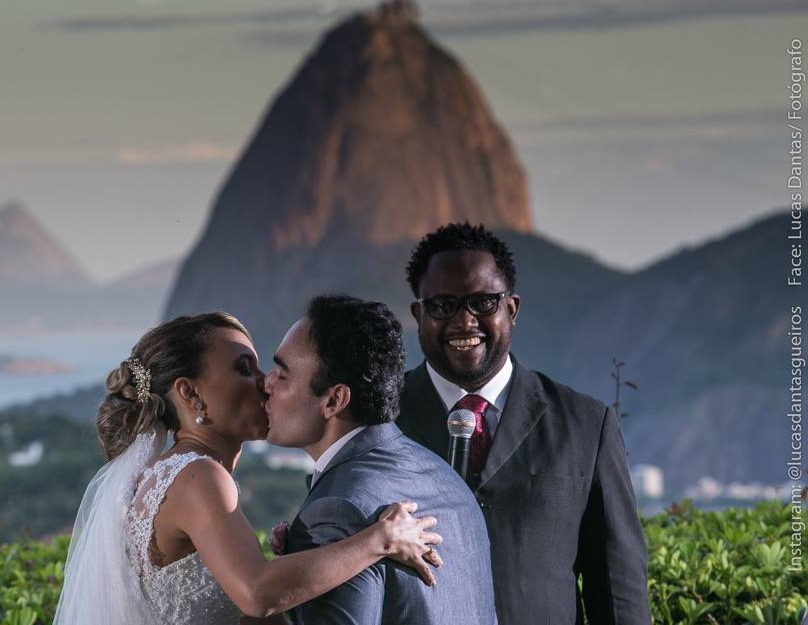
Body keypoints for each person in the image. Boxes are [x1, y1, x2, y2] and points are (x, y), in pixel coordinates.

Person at [54, 312, 442, 625]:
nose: (267, 382)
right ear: (190, 393)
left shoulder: (169, 473)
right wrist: (380, 540)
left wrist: (292, 561)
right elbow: (258, 595)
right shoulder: (199, 476)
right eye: (245, 369)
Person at [395, 223, 652, 624]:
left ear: (511, 309)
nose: (465, 322)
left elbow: (618, 591)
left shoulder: (586, 425)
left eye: (483, 303)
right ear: (418, 314)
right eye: (443, 305)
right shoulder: (379, 417)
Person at [265, 294, 497, 624]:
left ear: (334, 400)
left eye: (281, 374)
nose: (266, 383)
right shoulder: (445, 479)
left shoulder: (334, 513)